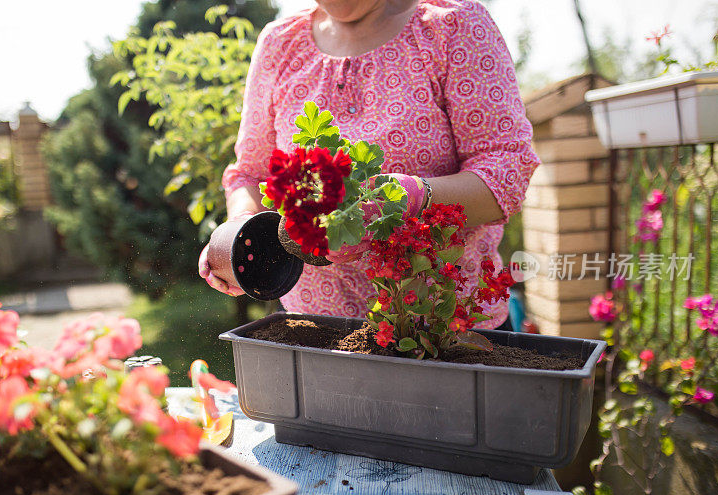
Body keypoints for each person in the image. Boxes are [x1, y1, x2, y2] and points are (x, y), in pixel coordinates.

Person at [199, 0, 540, 329]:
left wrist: (409, 198)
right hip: (316, 331)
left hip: (445, 330)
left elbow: (506, 171)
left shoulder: (452, 26)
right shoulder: (281, 43)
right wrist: (241, 226)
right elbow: (251, 173)